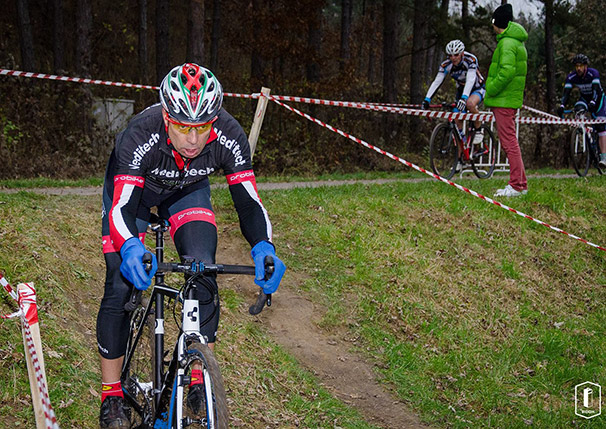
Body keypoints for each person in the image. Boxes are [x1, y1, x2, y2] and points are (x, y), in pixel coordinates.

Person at [96, 63, 286, 428]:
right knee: (119, 283)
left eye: (203, 126)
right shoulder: (139, 134)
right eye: (184, 126)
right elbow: (120, 208)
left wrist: (264, 245)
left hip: (187, 191)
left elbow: (248, 202)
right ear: (167, 116)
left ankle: (200, 373)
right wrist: (131, 248)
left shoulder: (229, 134)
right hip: (132, 197)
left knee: (203, 267)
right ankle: (111, 394)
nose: (194, 139)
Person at [484, 3, 528, 197]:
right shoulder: (514, 42)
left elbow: (507, 72)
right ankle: (521, 183)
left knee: (509, 142)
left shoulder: (507, 43)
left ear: (497, 22)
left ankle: (517, 185)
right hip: (507, 100)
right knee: (510, 141)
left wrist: (490, 87)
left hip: (503, 100)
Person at [422, 39, 487, 144]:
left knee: (470, 104)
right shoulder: (446, 64)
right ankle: (461, 155)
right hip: (461, 91)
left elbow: (470, 80)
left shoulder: (470, 59)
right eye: (450, 55)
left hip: (477, 88)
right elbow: (437, 81)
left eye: (456, 55)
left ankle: (479, 129)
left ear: (461, 53)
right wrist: (427, 99)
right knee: (457, 123)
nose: (453, 58)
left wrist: (464, 98)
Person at [557, 54, 606, 168]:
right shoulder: (572, 76)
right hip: (584, 98)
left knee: (601, 127)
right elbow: (566, 92)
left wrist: (594, 101)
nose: (578, 68)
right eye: (576, 66)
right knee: (578, 108)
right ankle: (585, 133)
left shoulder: (593, 74)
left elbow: (596, 90)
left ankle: (603, 157)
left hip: (598, 100)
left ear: (585, 66)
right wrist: (562, 105)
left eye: (581, 66)